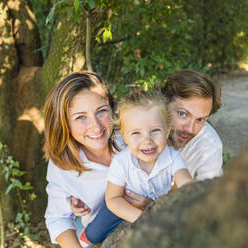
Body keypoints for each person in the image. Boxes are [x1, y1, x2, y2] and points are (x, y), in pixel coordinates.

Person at [43, 72, 150, 247]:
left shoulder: (133, 136)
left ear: (112, 109)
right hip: (98, 227)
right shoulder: (61, 165)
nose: (96, 126)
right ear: (64, 123)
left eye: (101, 111)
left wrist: (152, 205)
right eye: (81, 117)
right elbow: (57, 218)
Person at [78, 90, 193, 246]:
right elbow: (113, 199)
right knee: (94, 234)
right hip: (122, 203)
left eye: (155, 131)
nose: (147, 140)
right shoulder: (121, 161)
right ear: (124, 136)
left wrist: (192, 191)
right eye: (136, 133)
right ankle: (86, 234)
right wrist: (142, 218)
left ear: (167, 131)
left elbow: (184, 178)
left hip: (152, 203)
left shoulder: (172, 157)